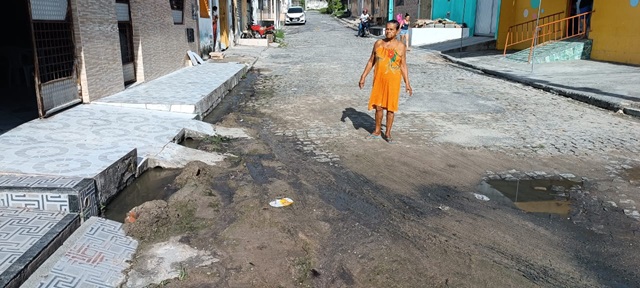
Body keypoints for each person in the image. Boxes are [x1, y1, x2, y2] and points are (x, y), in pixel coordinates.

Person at [358, 20, 412, 143]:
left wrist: (407, 83)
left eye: (391, 29)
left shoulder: (401, 47)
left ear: (397, 31)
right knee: (378, 107)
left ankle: (387, 133)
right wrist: (363, 76)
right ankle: (377, 131)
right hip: (379, 80)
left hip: (393, 81)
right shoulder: (378, 43)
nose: (388, 31)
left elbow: (403, 66)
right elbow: (371, 61)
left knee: (390, 108)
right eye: (387, 29)